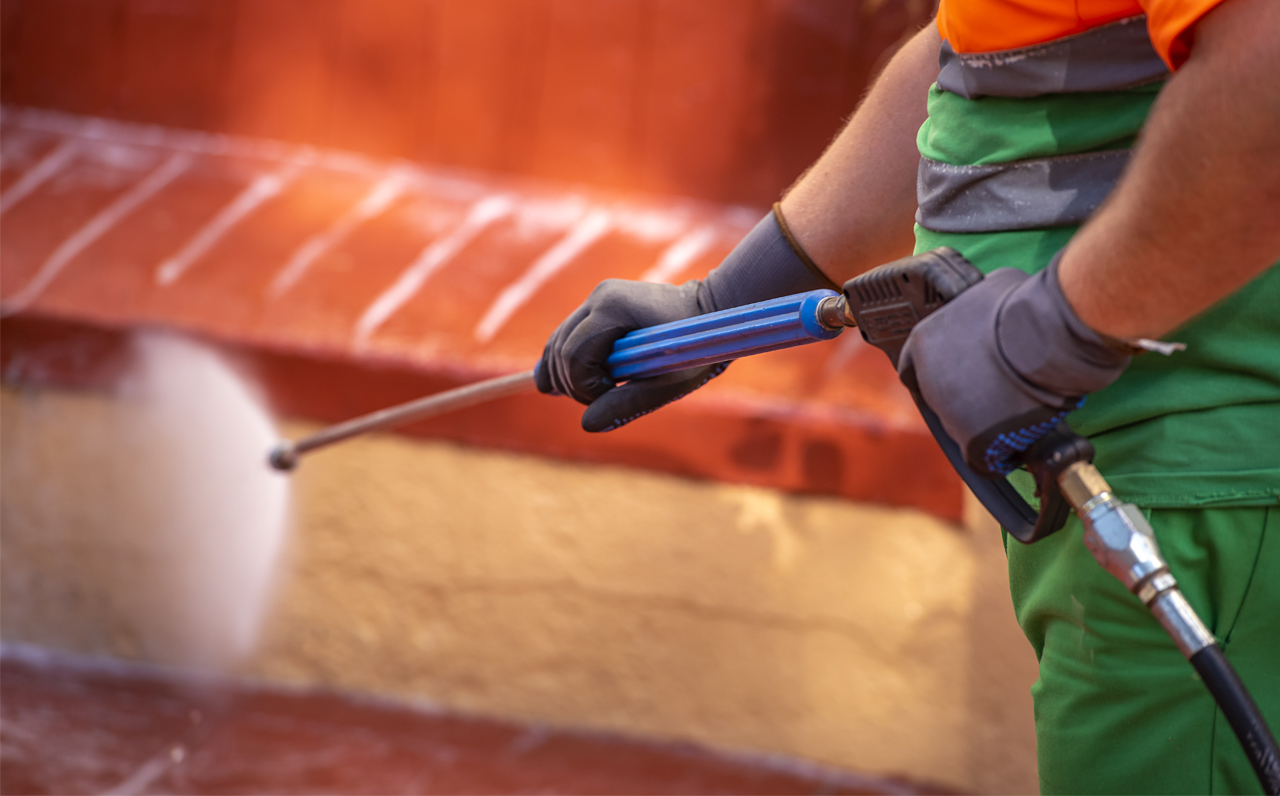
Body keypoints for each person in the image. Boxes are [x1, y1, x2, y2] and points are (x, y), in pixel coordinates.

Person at [536, 0, 1280, 792]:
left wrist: (1056, 331)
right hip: (1128, 454)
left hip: (1200, 471)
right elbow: (969, 49)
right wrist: (721, 306)